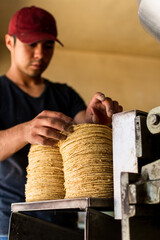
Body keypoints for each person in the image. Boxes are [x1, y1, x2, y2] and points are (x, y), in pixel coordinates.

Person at [0, 5, 122, 239]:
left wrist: (96, 124)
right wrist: (25, 131)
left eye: (48, 45)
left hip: (63, 226)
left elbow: (82, 126)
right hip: (8, 226)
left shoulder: (64, 94)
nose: (40, 54)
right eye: (31, 44)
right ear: (9, 42)